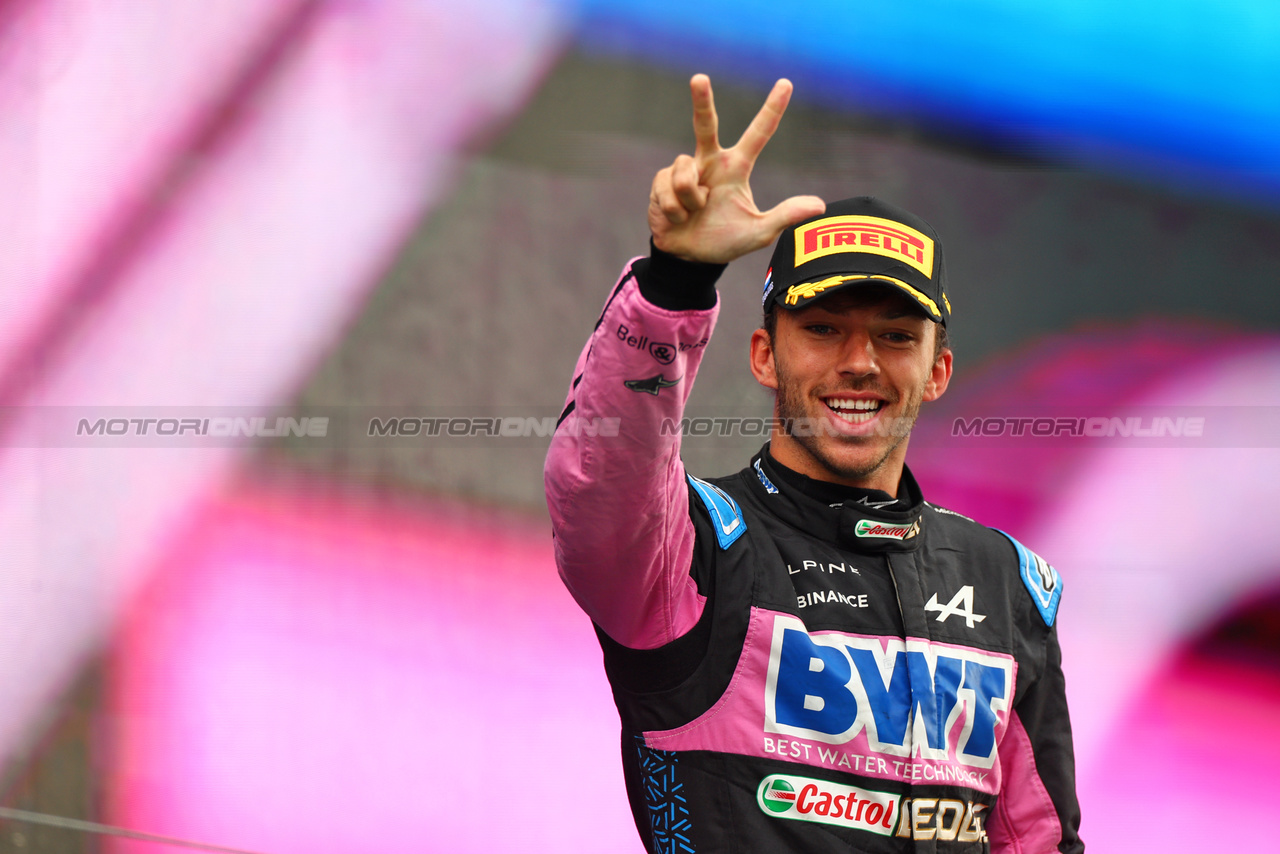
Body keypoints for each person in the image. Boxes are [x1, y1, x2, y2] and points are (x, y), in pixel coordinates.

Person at [545, 74, 1083, 853]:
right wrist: (673, 285)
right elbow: (598, 483)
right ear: (765, 355)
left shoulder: (1006, 582)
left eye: (896, 336)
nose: (860, 362)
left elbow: (1039, 840)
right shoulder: (694, 555)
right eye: (824, 329)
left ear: (937, 370)